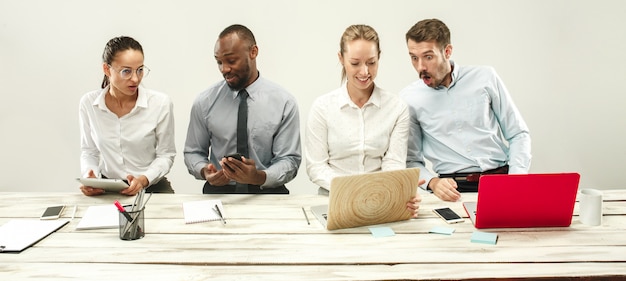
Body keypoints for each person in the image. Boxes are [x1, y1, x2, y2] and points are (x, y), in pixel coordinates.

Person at [400, 18, 532, 202]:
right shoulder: (409, 98)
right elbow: (411, 159)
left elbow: (518, 133)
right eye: (414, 58)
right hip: (453, 192)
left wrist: (516, 179)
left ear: (447, 51)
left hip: (502, 182)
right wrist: (433, 183)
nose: (421, 67)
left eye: (428, 57)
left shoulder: (485, 77)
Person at [305, 24, 424, 217]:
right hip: (333, 201)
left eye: (371, 62)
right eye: (355, 63)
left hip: (380, 201)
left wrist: (399, 188)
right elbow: (316, 167)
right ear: (341, 59)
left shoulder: (397, 107)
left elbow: (393, 162)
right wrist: (354, 191)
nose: (364, 71)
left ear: (379, 57)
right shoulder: (322, 107)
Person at [184, 24, 301, 194]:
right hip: (219, 192)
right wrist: (205, 171)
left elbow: (289, 160)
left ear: (253, 52)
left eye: (231, 61)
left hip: (267, 192)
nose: (224, 69)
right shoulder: (204, 102)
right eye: (219, 62)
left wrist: (258, 177)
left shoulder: (284, 102)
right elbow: (193, 152)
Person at [79, 36, 176, 196]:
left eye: (140, 70)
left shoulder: (160, 103)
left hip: (150, 187)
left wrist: (143, 180)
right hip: (107, 187)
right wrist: (91, 178)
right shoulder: (89, 103)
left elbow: (166, 155)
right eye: (126, 71)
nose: (136, 79)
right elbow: (89, 151)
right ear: (106, 69)